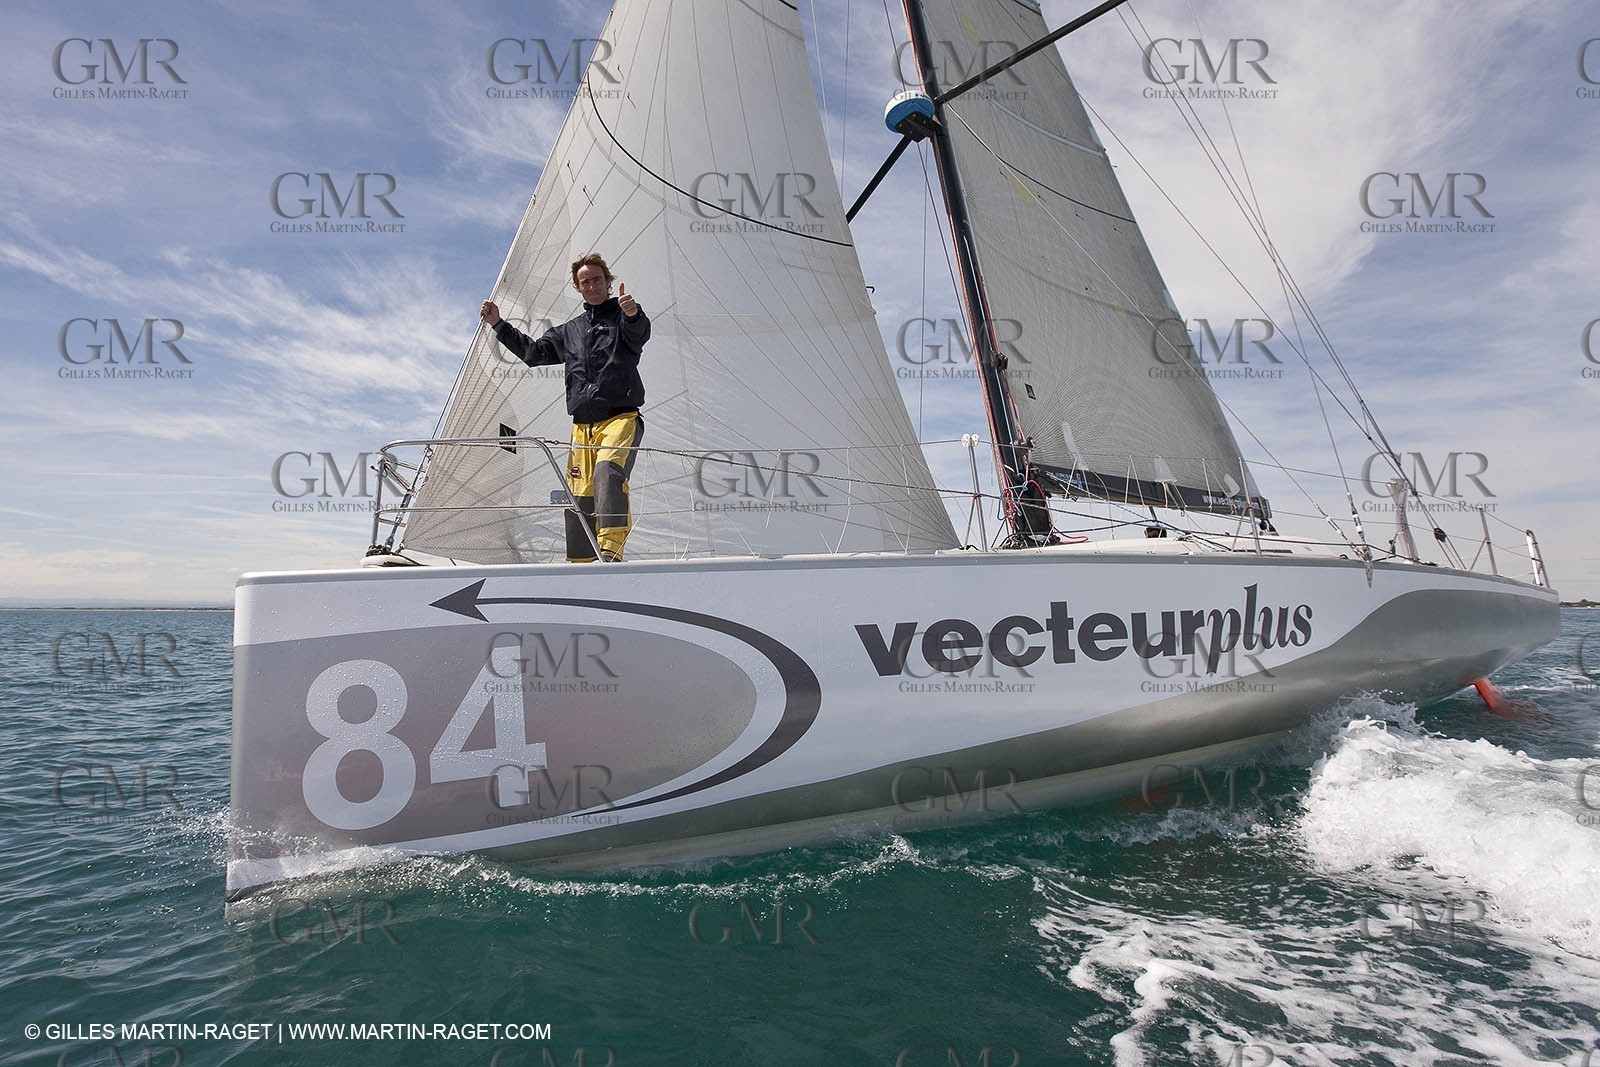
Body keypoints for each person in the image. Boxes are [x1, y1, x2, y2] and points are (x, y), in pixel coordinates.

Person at [480, 253, 649, 562]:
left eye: (597, 280)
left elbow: (639, 336)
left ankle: (610, 554)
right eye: (585, 282)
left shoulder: (624, 318)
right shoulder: (568, 331)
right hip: (582, 425)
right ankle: (582, 561)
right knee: (580, 493)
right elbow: (533, 353)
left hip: (620, 418)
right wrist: (498, 324)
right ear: (577, 287)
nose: (592, 285)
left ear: (608, 282)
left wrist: (634, 314)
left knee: (607, 474)